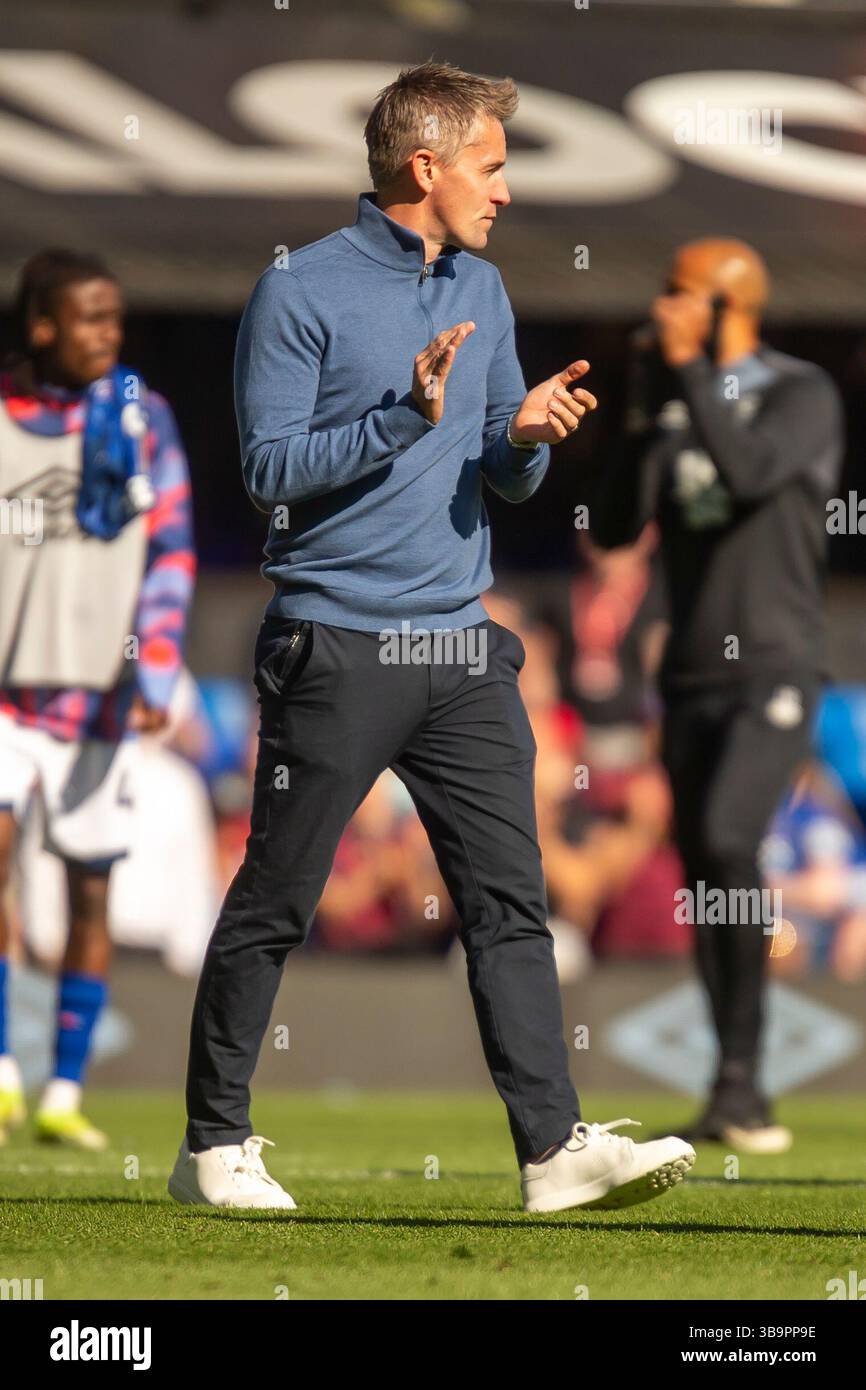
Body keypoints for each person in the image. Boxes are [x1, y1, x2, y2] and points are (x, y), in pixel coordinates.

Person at [169, 61, 695, 1212]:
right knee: (278, 896)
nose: (503, 190)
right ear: (426, 165)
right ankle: (213, 1144)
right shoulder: (297, 291)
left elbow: (506, 477)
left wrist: (521, 434)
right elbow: (267, 477)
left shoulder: (487, 290)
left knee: (512, 901)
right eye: (490, 165)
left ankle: (552, 1152)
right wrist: (401, 413)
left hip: (460, 649)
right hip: (334, 643)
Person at [591, 239, 844, 1152]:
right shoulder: (673, 399)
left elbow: (747, 474)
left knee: (736, 838)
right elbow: (618, 526)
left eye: (679, 294)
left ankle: (744, 1073)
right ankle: (736, 1083)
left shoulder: (799, 393)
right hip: (690, 675)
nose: (662, 308)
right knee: (708, 878)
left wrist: (693, 373)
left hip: (775, 666)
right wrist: (636, 412)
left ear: (729, 303)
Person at [0, 249, 195, 1148]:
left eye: (116, 319)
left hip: (102, 704)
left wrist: (154, 670)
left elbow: (172, 550)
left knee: (87, 898)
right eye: (89, 319)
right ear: (42, 326)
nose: (108, 336)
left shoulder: (140, 418)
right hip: (7, 697)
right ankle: (2, 1068)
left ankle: (63, 1093)